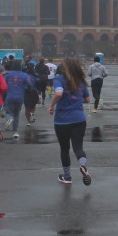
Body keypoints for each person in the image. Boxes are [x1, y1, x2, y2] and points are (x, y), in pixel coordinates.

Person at [49, 57, 92, 186]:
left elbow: (59, 93)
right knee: (78, 147)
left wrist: (52, 106)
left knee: (64, 149)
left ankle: (67, 176)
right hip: (79, 120)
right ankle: (83, 165)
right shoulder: (80, 81)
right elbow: (87, 100)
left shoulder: (59, 79)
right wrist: (76, 99)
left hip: (62, 121)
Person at [1, 60, 36, 140]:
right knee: (16, 114)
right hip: (20, 97)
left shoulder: (8, 75)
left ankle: (9, 118)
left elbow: (3, 85)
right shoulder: (24, 75)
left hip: (9, 96)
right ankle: (15, 132)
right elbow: (30, 84)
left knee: (8, 111)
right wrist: (26, 89)